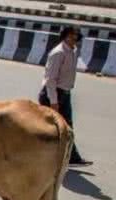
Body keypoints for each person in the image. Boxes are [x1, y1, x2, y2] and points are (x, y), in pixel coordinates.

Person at [38, 26, 92, 167]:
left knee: (67, 127)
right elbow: (50, 79)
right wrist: (54, 101)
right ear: (65, 37)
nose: (75, 39)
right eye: (72, 36)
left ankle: (70, 157)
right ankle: (45, 156)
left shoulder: (72, 51)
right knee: (51, 128)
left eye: (76, 36)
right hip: (53, 94)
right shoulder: (58, 53)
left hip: (65, 93)